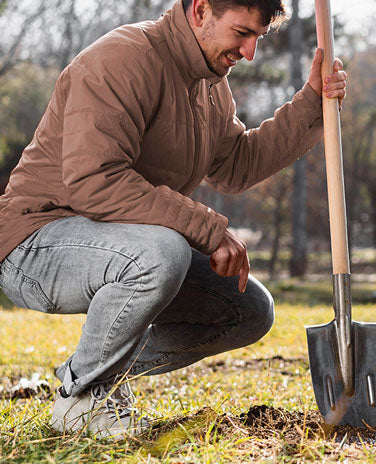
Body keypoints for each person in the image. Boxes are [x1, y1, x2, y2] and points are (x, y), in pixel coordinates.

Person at [0, 0, 347, 439]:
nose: (249, 52)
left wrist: (312, 102)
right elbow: (94, 181)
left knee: (247, 309)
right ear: (201, 10)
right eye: (242, 33)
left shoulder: (209, 84)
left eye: (257, 38)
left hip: (117, 244)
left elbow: (236, 164)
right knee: (163, 251)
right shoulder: (123, 59)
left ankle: (93, 373)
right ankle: (82, 397)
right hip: (33, 243)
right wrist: (206, 228)